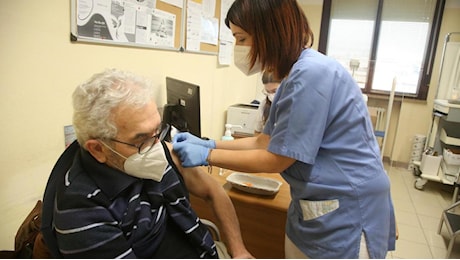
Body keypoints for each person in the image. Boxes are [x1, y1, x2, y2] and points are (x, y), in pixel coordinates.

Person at [172, 0, 396, 258]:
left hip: (346, 205)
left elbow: (277, 158)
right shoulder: (291, 76)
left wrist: (207, 157)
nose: (238, 48)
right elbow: (264, 142)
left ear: (270, 32)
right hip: (315, 204)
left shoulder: (311, 74)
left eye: (242, 38)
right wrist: (210, 143)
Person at [50, 69, 253, 258]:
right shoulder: (82, 210)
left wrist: (239, 251)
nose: (157, 146)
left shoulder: (156, 149)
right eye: (141, 139)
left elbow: (212, 191)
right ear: (98, 149)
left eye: (157, 131)